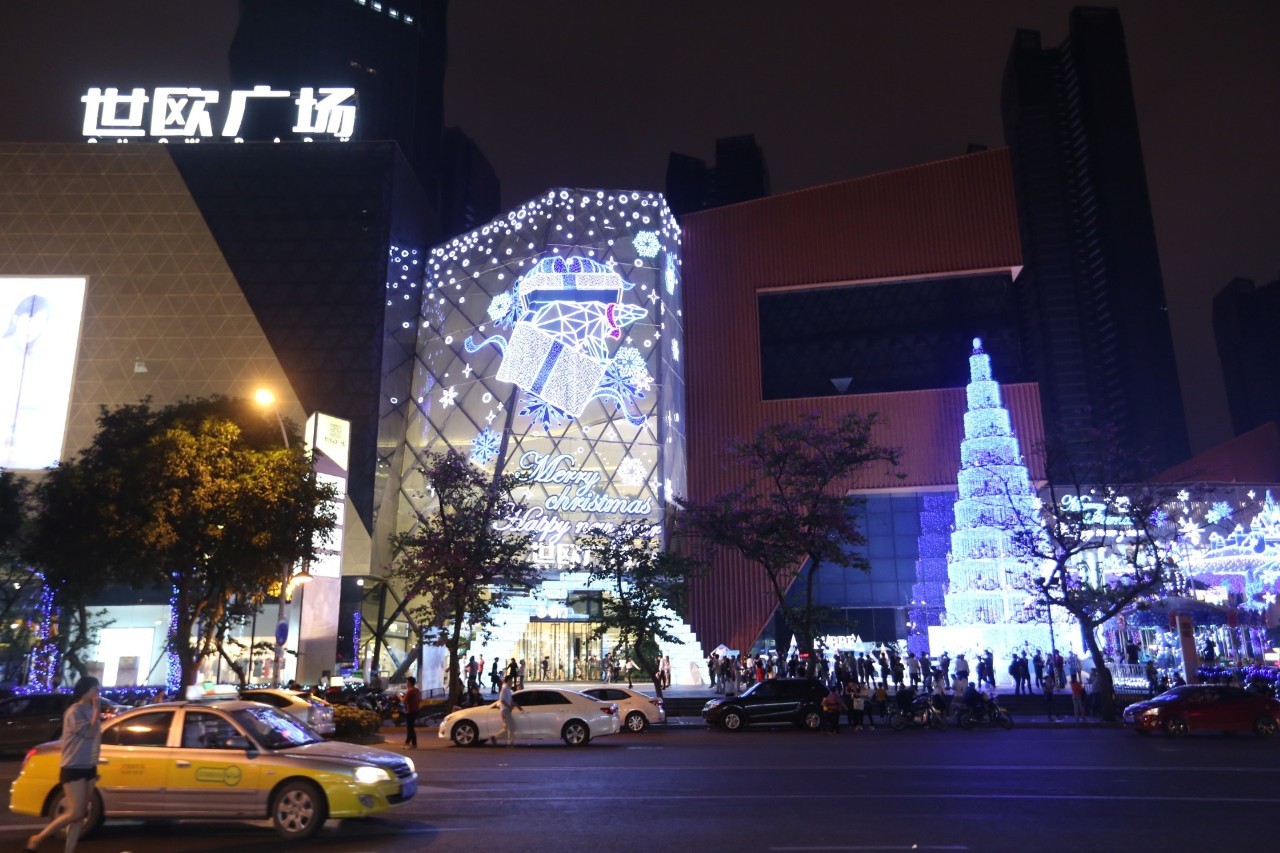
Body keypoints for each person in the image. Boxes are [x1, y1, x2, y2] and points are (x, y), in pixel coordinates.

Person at [25, 676, 101, 853]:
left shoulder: (91, 710)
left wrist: (95, 762)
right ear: (85, 691)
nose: (97, 693)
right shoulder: (75, 711)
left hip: (89, 767)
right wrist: (97, 711)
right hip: (73, 767)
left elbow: (96, 739)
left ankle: (69, 850)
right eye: (94, 690)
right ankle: (38, 838)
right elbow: (88, 733)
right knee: (75, 812)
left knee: (80, 815)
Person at [493, 676, 516, 747]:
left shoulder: (507, 689)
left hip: (506, 709)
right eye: (511, 681)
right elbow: (502, 699)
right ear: (508, 680)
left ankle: (495, 737)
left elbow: (509, 700)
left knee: (507, 727)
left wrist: (515, 705)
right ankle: (510, 743)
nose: (512, 682)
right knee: (511, 726)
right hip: (505, 710)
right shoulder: (504, 688)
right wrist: (509, 706)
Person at [403, 676, 421, 748]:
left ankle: (414, 744)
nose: (406, 683)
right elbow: (420, 699)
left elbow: (404, 701)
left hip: (410, 711)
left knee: (410, 728)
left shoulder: (409, 691)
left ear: (410, 683)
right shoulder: (417, 690)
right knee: (410, 727)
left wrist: (399, 697)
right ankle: (407, 743)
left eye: (407, 682)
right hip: (416, 710)